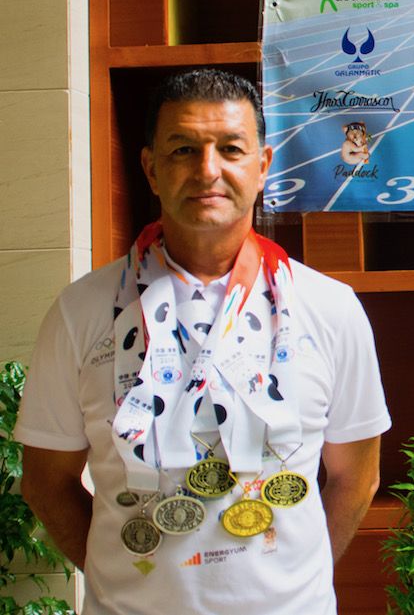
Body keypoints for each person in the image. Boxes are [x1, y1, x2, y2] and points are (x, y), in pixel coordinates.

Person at [15, 69, 391, 615]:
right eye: (183, 149)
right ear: (150, 169)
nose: (207, 170)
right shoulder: (81, 313)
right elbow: (47, 484)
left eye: (230, 149)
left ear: (261, 167)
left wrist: (291, 583)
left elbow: (358, 478)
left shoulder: (330, 309)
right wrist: (124, 585)